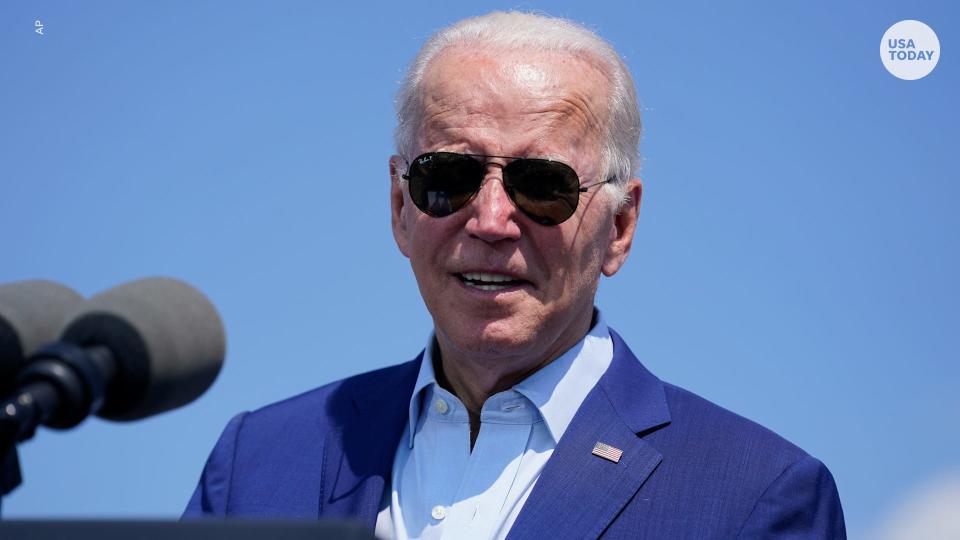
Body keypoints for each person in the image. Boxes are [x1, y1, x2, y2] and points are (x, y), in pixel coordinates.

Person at [184, 11, 845, 539]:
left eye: (542, 185)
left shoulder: (755, 498)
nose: (492, 220)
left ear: (620, 226)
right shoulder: (260, 463)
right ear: (398, 207)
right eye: (448, 178)